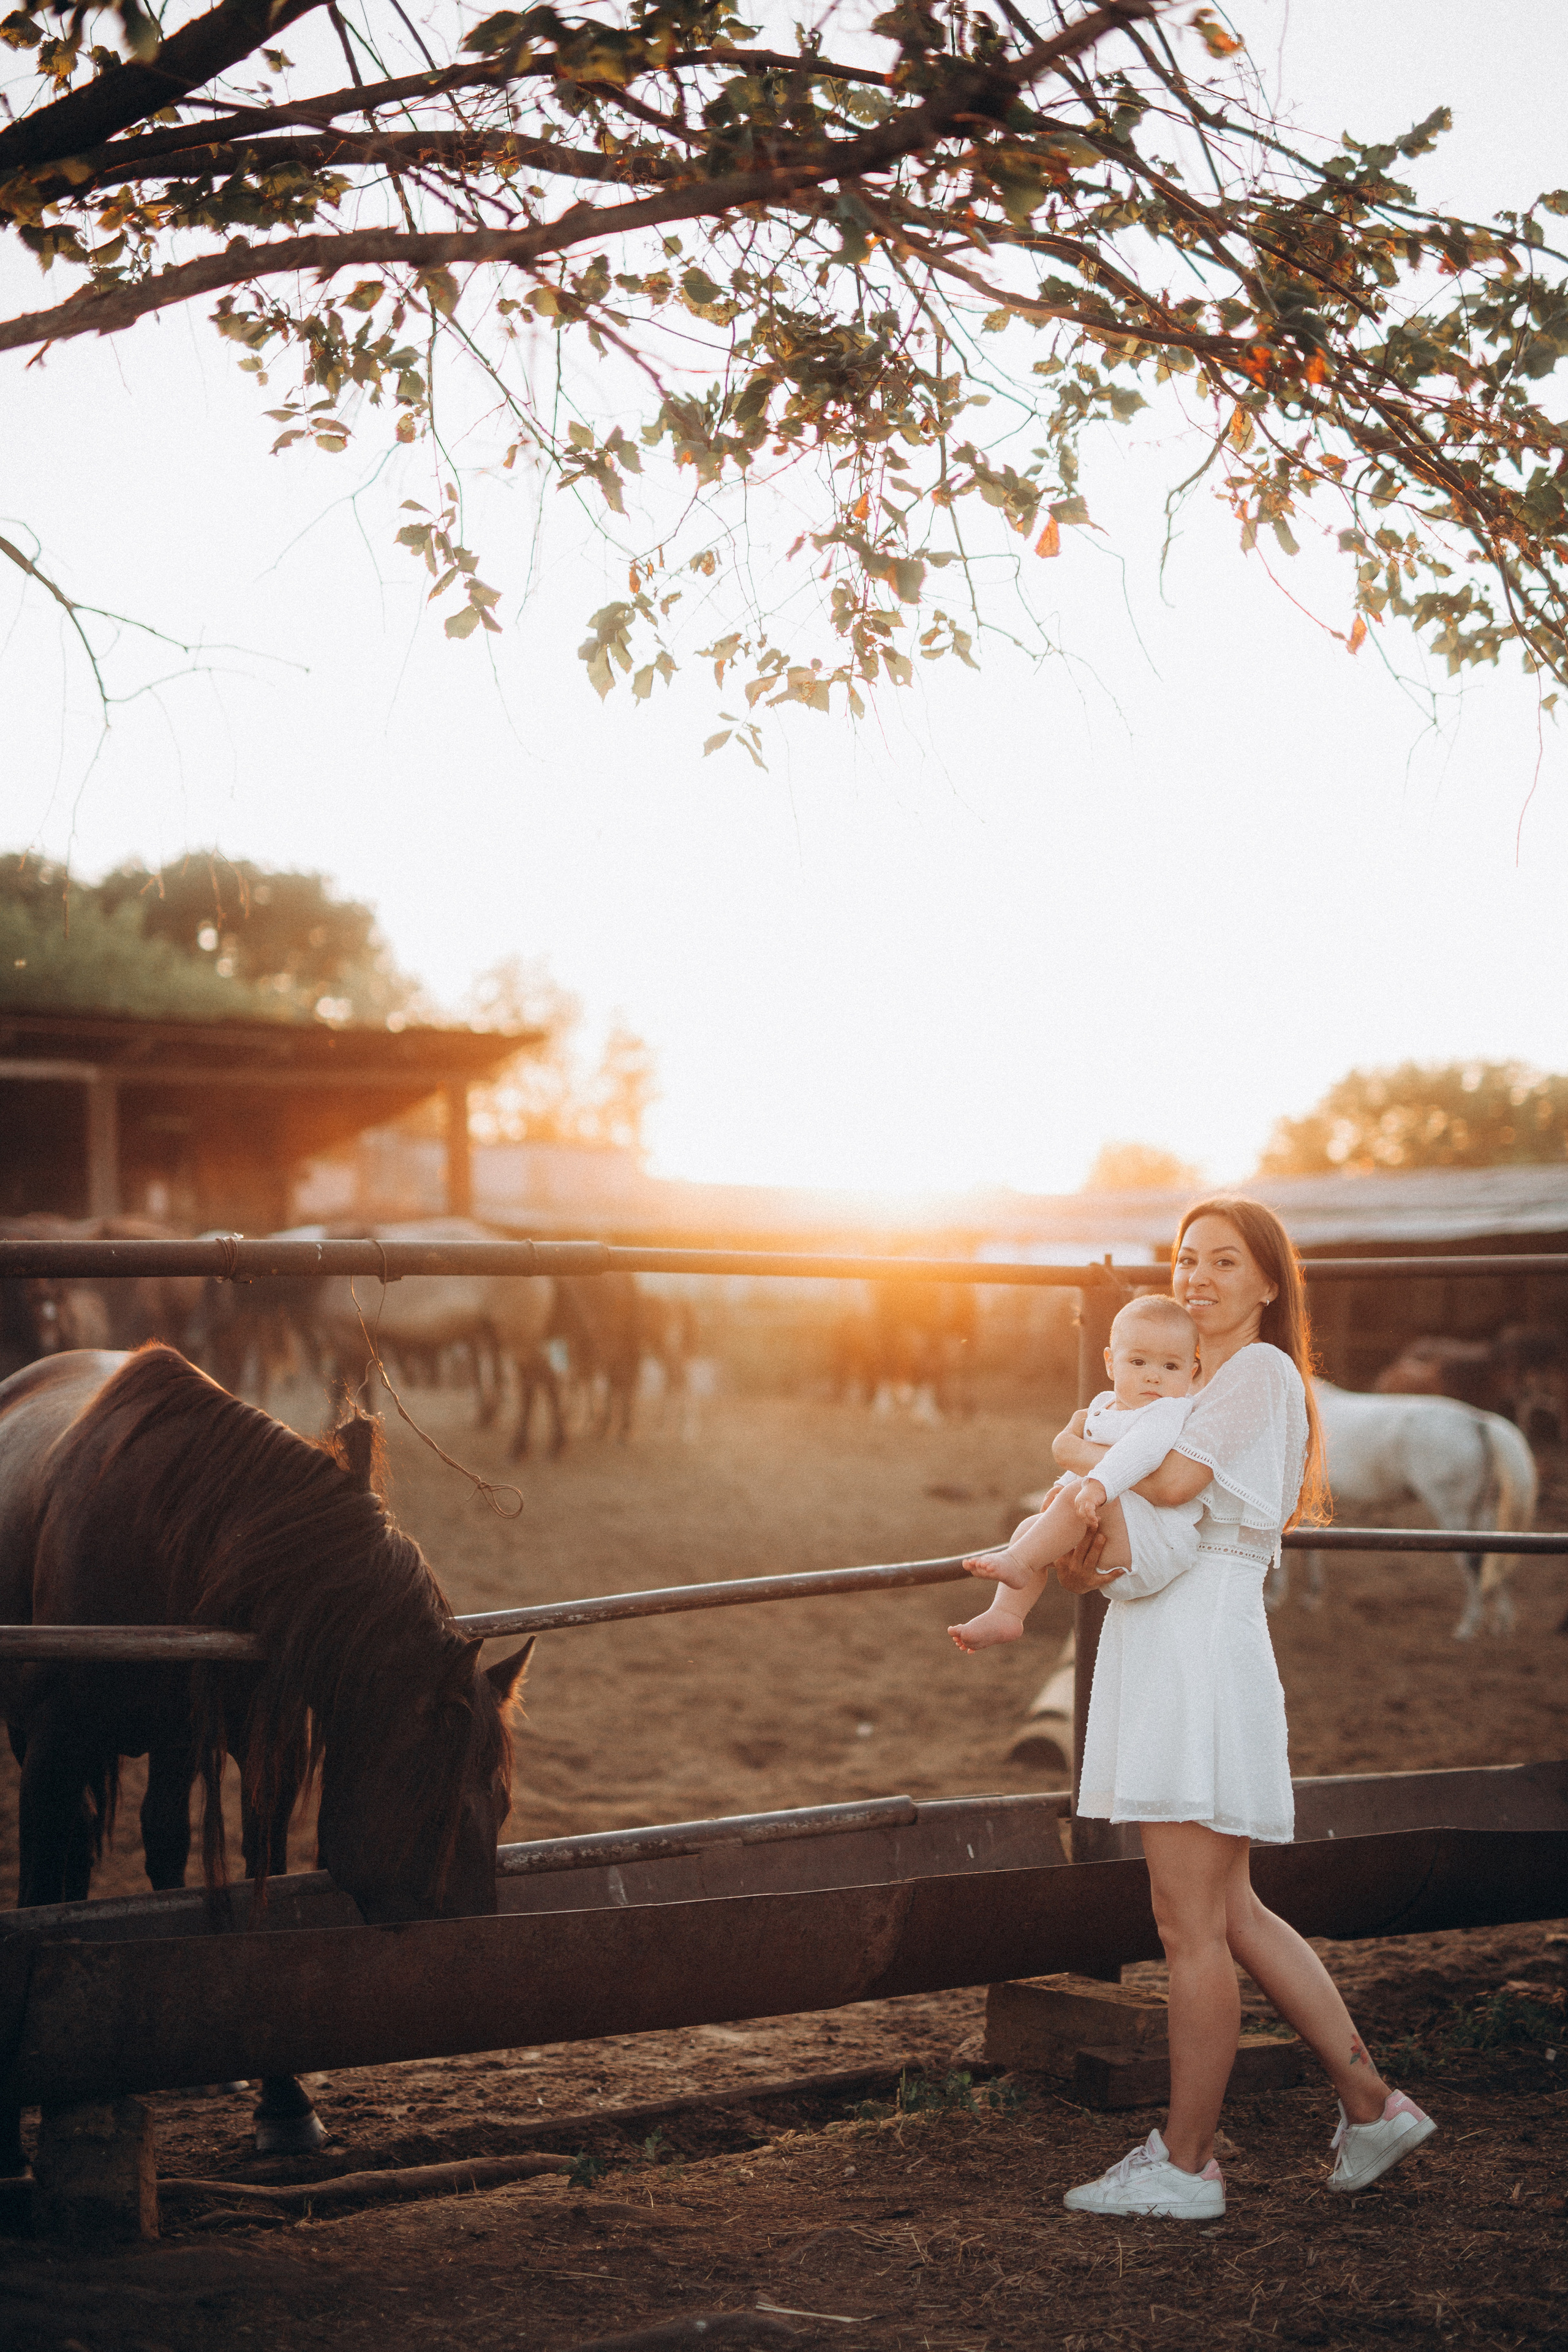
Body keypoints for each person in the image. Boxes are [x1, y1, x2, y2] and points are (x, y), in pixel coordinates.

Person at [1050, 1198, 1436, 2220]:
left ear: (1269, 1283)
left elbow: (1170, 1487)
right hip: (1181, 1639)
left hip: (1196, 1654)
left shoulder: (1254, 1373)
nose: (1197, 1277)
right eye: (1185, 1259)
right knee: (1231, 1912)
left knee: (1189, 1927)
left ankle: (1186, 2168)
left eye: (1224, 1261)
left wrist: (1075, 1451)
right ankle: (1371, 2103)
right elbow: (1140, 1524)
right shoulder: (1192, 1384)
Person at [947, 1295, 1202, 1653]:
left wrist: (1094, 1486)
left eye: (1171, 1367)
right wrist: (1060, 1492)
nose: (1153, 1377)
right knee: (1029, 1528)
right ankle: (1007, 1613)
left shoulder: (1168, 1412)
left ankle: (1019, 1563)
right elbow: (1080, 1470)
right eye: (1139, 1362)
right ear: (1111, 1363)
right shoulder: (1101, 1407)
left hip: (1157, 1546)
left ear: (1192, 1372)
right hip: (1122, 1539)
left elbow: (1138, 1454)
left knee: (1046, 1529)